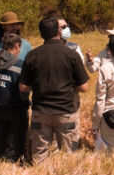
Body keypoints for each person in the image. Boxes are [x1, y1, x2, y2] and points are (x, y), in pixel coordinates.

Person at [18, 15, 90, 163]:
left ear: (41, 33)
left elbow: (23, 87)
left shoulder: (32, 55)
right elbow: (84, 87)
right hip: (66, 112)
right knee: (68, 157)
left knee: (39, 157)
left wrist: (40, 85)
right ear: (58, 32)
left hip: (41, 112)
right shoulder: (72, 55)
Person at [0, 32, 30, 162]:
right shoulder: (20, 65)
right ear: (17, 46)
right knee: (15, 149)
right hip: (16, 111)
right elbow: (23, 91)